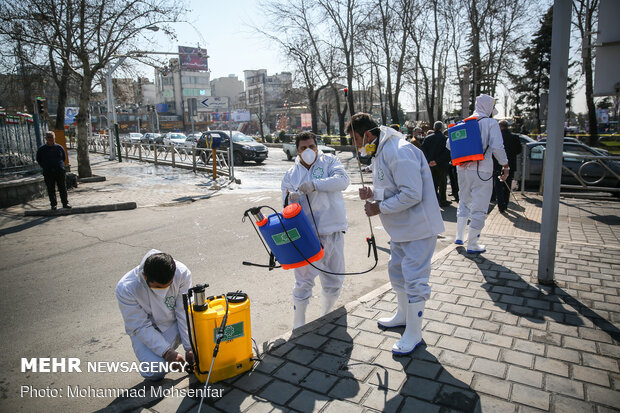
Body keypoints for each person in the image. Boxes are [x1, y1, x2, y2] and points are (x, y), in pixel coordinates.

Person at [346, 113, 444, 356]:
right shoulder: (381, 152)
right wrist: (372, 194)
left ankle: (414, 332)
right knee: (397, 271)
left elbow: (412, 193)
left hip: (418, 228)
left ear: (368, 134)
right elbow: (391, 187)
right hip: (401, 229)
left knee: (414, 279)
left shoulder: (398, 151)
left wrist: (379, 207)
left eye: (356, 140)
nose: (357, 147)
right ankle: (403, 315)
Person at [281, 131, 350, 329]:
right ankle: (299, 323)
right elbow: (284, 206)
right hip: (307, 237)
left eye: (311, 146)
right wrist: (290, 201)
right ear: (297, 150)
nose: (308, 151)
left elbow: (343, 181)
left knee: (334, 279)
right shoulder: (291, 174)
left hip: (333, 231)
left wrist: (315, 184)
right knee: (303, 282)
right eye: (303, 148)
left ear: (317, 147)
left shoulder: (329, 161)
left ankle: (326, 316)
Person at [116, 250, 193, 381]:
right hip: (146, 330)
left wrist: (190, 347)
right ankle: (164, 350)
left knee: (203, 346)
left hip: (173, 323)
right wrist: (167, 352)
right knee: (154, 371)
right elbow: (140, 326)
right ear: (145, 276)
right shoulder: (126, 288)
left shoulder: (182, 273)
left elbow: (184, 312)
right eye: (157, 287)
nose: (163, 292)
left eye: (167, 286)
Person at [446, 94, 509, 253]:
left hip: (462, 170)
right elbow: (497, 147)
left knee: (464, 201)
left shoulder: (464, 122)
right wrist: (505, 165)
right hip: (482, 169)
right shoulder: (490, 123)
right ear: (489, 107)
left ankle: (459, 236)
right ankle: (473, 244)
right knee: (479, 207)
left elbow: (449, 144)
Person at [36, 131, 70, 210]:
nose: (50, 139)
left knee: (62, 188)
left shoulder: (59, 148)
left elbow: (63, 158)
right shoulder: (42, 149)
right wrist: (46, 166)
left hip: (59, 171)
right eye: (48, 137)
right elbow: (39, 159)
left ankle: (65, 203)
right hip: (48, 172)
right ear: (46, 139)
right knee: (51, 189)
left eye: (51, 137)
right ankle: (53, 204)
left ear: (54, 138)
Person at [494, 120, 522, 213]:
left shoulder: (497, 137)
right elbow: (519, 150)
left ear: (500, 127)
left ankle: (500, 205)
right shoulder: (515, 137)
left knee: (498, 185)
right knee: (507, 185)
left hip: (498, 164)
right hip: (510, 164)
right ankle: (505, 203)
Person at [421, 121, 452, 207]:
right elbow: (447, 152)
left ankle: (434, 200)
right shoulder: (445, 139)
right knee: (442, 183)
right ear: (442, 129)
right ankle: (442, 200)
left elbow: (423, 150)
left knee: (432, 183)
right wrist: (437, 161)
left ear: (434, 128)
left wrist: (429, 161)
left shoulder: (427, 138)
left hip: (430, 165)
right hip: (441, 164)